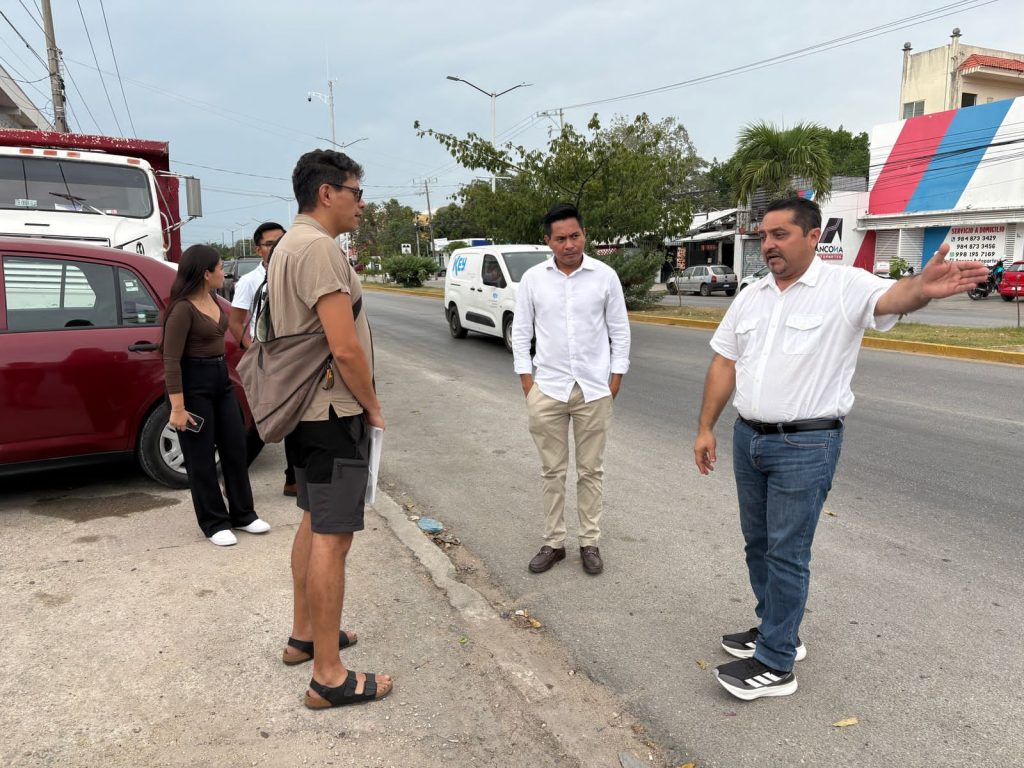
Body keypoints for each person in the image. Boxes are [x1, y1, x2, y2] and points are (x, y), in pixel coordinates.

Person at [692, 197, 987, 701]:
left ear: (814, 237)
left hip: (806, 443)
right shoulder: (752, 295)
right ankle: (777, 629)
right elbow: (725, 363)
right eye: (764, 236)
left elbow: (893, 298)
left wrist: (922, 289)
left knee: (787, 552)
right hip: (749, 439)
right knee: (758, 545)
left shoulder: (846, 285)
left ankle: (777, 664)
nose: (768, 245)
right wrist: (706, 427)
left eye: (780, 235)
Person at [267, 149, 392, 708]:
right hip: (333, 413)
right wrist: (372, 406)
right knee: (333, 537)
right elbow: (343, 346)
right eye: (356, 192)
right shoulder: (317, 248)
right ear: (327, 193)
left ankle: (305, 635)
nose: (361, 203)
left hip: (307, 413)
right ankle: (328, 675)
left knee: (313, 520)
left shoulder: (288, 245)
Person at [511, 202, 631, 576]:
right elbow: (521, 332)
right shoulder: (533, 279)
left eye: (575, 236)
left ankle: (589, 542)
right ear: (548, 241)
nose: (569, 245)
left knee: (591, 471)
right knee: (552, 471)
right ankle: (554, 543)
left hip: (593, 390)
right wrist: (527, 383)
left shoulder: (605, 276)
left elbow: (620, 331)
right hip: (548, 388)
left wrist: (615, 379)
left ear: (584, 235)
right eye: (561, 238)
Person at [161, 244, 271, 547]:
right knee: (200, 458)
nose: (225, 272)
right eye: (221, 267)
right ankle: (214, 522)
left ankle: (243, 514)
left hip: (220, 379)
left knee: (235, 448)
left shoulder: (212, 297)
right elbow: (170, 360)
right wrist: (178, 408)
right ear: (205, 273)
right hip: (194, 383)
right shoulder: (182, 309)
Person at [229, 221, 299, 497]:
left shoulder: (294, 274)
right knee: (265, 421)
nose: (278, 247)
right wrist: (253, 350)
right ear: (259, 249)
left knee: (295, 419)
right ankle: (234, 480)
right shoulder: (249, 281)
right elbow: (235, 322)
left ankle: (293, 480)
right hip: (267, 359)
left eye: (282, 241)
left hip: (294, 358)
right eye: (271, 244)